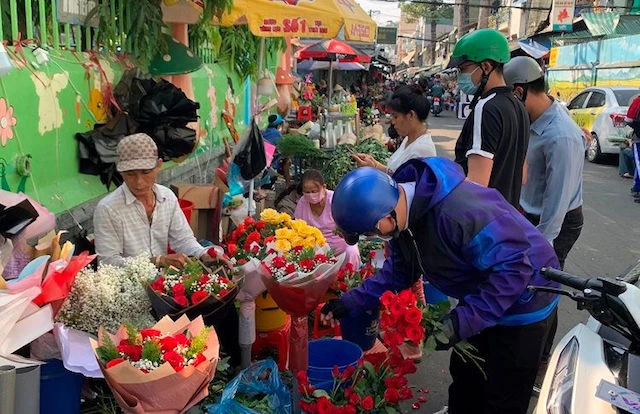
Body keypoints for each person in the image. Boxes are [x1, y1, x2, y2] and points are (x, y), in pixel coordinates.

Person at [322, 158, 560, 414]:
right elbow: (399, 272)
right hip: (481, 293)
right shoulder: (404, 220)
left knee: (503, 396)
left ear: (383, 219)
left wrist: (459, 324)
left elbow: (514, 267)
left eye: (370, 233)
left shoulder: (458, 213)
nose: (374, 239)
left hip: (526, 299)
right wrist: (349, 303)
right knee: (466, 380)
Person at [94, 133, 225, 269]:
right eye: (130, 174)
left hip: (161, 284)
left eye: (146, 172)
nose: (139, 182)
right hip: (127, 287)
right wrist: (157, 261)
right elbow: (108, 263)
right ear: (120, 171)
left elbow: (184, 240)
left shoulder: (167, 197)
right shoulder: (108, 208)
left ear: (158, 165)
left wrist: (203, 254)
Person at [503, 56, 585, 270]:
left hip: (556, 220)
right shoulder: (535, 118)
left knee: (543, 285)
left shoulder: (560, 136)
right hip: (530, 211)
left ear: (519, 92)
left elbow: (558, 197)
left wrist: (542, 244)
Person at [448, 29, 530, 207]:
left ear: (485, 66)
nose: (460, 76)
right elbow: (522, 176)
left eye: (463, 69)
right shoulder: (518, 106)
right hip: (506, 218)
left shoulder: (486, 107)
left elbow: (476, 185)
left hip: (482, 220)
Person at [352, 85, 437, 174]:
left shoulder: (421, 150)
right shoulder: (409, 139)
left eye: (396, 116)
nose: (392, 122)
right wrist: (374, 165)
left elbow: (402, 185)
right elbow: (396, 175)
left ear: (411, 115)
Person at [294, 169, 361, 268]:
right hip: (314, 247)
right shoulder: (302, 203)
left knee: (351, 251)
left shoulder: (335, 200)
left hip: (339, 245)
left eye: (314, 191)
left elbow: (350, 224)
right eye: (307, 192)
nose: (310, 195)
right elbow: (297, 227)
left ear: (324, 187)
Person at [625, 94, 640, 200]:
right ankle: (636, 187)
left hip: (639, 138)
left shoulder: (637, 101)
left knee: (639, 164)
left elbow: (629, 119)